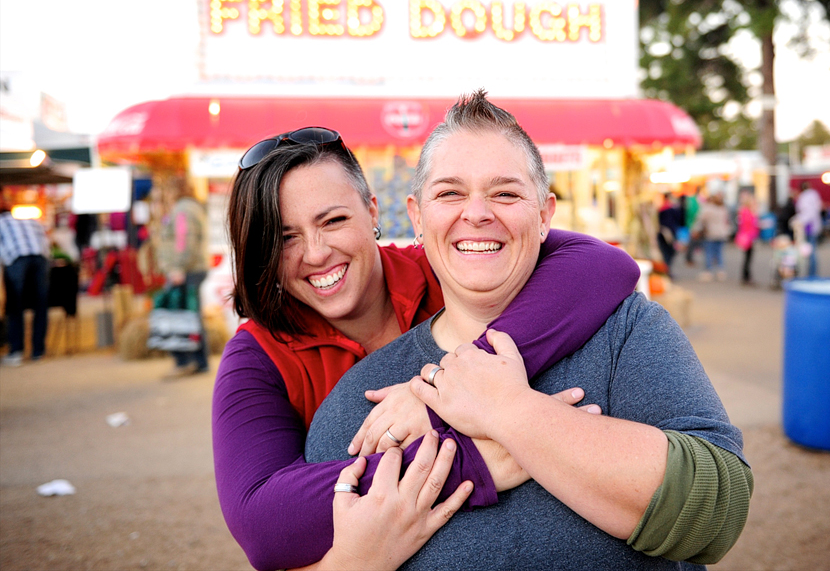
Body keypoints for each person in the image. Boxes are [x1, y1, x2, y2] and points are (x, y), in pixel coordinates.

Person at [307, 90, 752, 570]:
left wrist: (509, 411)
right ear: (417, 216)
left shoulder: (626, 332)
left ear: (544, 216)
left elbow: (716, 514)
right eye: (450, 192)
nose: (476, 213)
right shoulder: (366, 403)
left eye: (505, 193)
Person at [212, 125, 642, 570]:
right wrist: (469, 459)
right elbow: (262, 522)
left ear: (372, 210)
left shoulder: (450, 268)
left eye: (333, 221)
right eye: (286, 238)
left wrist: (448, 390)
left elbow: (604, 264)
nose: (317, 253)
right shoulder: (257, 357)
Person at [156, 178, 209, 376]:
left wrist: (178, 268)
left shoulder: (183, 210)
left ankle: (186, 362)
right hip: (194, 267)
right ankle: (199, 362)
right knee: (192, 315)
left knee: (180, 316)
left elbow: (183, 241)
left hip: (186, 269)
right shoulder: (193, 207)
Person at [0, 198, 50, 366]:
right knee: (40, 305)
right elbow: (45, 242)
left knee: (15, 306)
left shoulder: (2, 222)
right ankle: (38, 351)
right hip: (40, 258)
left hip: (16, 259)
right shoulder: (29, 220)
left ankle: (16, 351)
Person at [693, 190, 731, 282]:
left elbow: (700, 220)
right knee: (719, 252)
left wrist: (695, 230)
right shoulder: (723, 209)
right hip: (722, 233)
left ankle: (708, 271)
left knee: (709, 252)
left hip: (711, 233)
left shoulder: (707, 209)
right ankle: (720, 270)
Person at [791, 181, 822, 277]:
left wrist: (798, 220)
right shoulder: (814, 195)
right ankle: (812, 273)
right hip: (814, 226)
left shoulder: (804, 197)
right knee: (812, 250)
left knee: (809, 251)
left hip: (808, 227)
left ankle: (811, 274)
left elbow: (807, 213)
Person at [735, 190, 759, 285]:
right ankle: (746, 277)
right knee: (747, 258)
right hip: (748, 238)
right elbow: (747, 226)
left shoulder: (747, 211)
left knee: (748, 258)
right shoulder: (746, 212)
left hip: (749, 237)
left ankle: (747, 276)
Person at [656, 192, 682, 277]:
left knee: (666, 252)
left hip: (662, 233)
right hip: (669, 233)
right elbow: (679, 219)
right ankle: (667, 270)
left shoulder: (661, 208)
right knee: (669, 252)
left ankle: (667, 270)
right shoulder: (671, 208)